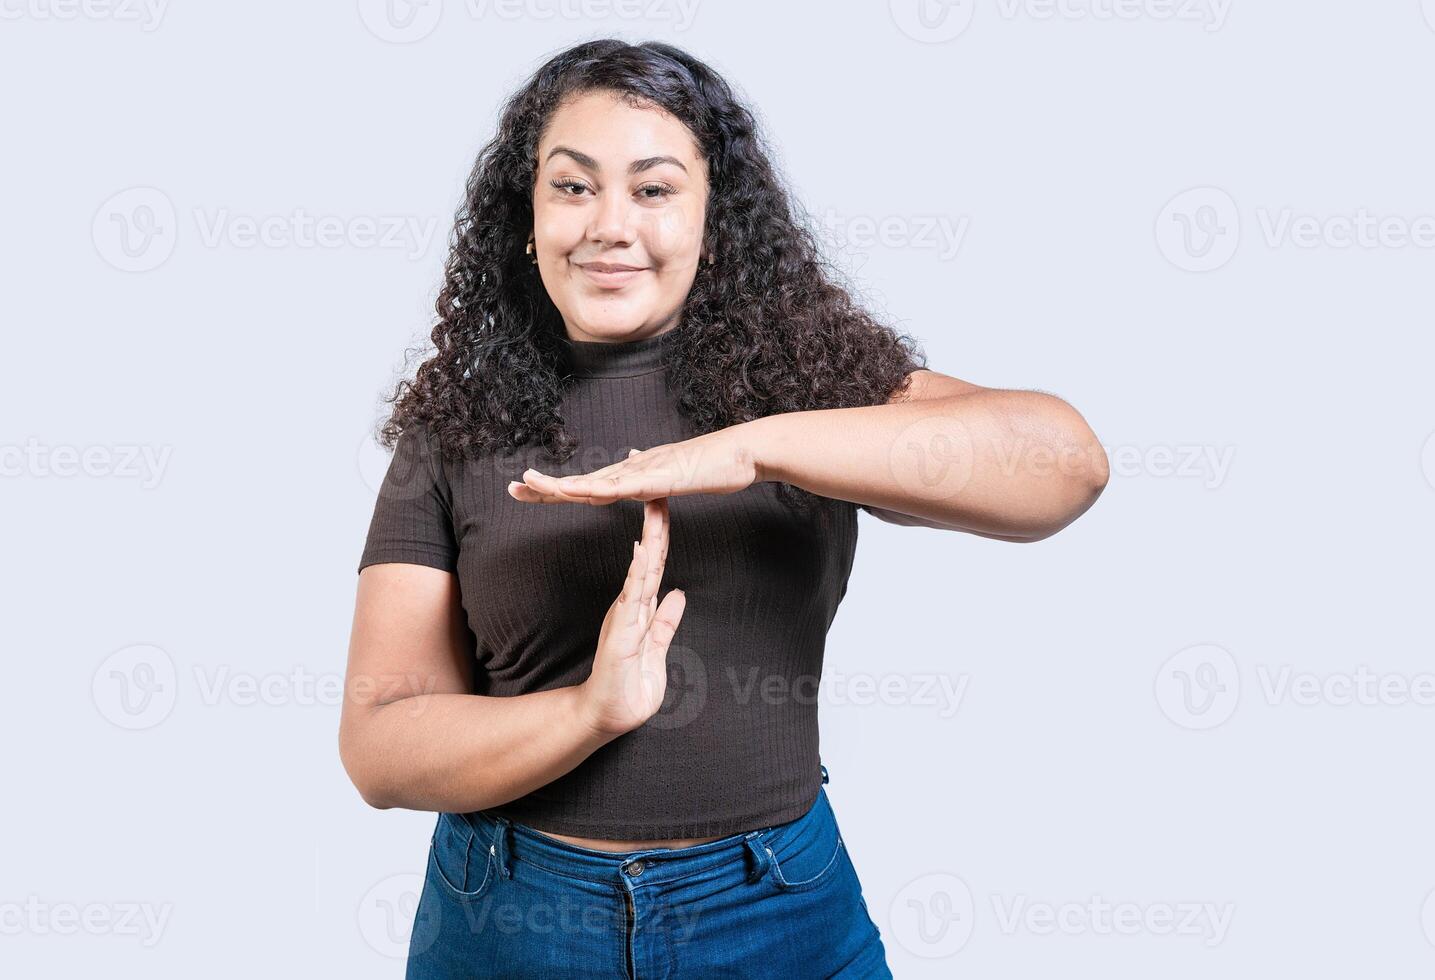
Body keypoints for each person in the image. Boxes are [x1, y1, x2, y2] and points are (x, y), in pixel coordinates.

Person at [339, 38, 1108, 978]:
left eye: (653, 189)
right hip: (512, 916)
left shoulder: (805, 384)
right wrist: (589, 712)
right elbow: (383, 742)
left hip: (776, 910)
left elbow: (1064, 462)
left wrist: (749, 446)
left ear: (715, 219)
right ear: (527, 219)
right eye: (572, 187)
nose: (609, 226)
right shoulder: (457, 421)